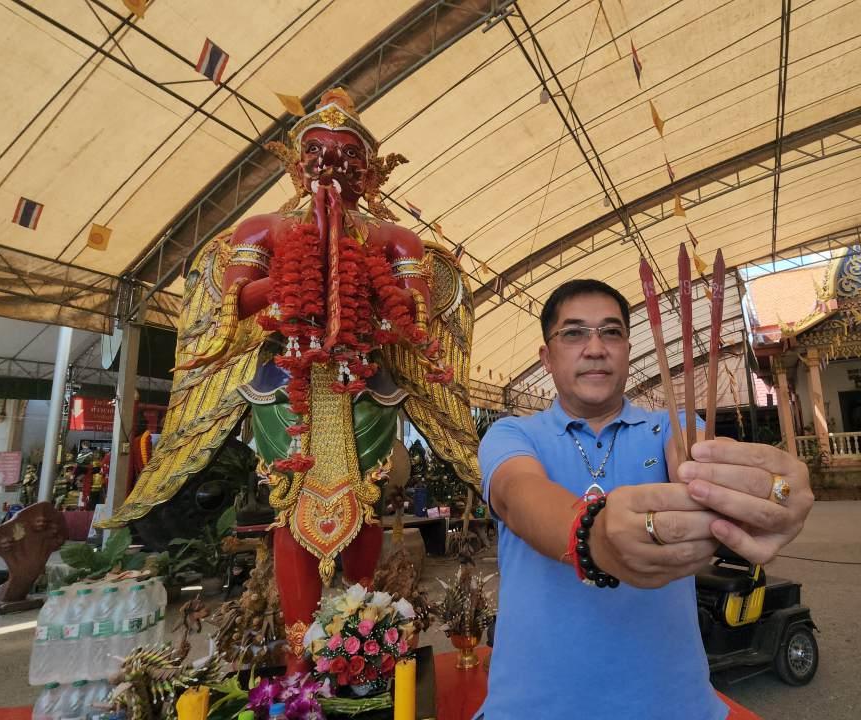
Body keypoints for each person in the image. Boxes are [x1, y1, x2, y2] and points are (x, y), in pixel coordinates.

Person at [96, 88, 482, 675]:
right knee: (292, 510)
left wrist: (358, 286)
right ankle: (301, 658)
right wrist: (299, 280)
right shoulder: (262, 229)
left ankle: (364, 641)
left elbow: (417, 315)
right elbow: (232, 307)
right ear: (298, 164)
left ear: (369, 171)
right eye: (318, 151)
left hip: (366, 385)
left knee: (363, 505)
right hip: (284, 384)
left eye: (348, 154)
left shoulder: (395, 240)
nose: (332, 163)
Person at [477, 279, 813, 720]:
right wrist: (593, 536)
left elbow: (694, 458)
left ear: (628, 350)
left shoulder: (671, 424)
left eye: (611, 332)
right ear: (547, 357)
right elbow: (517, 494)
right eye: (574, 333)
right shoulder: (512, 433)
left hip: (672, 705)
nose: (595, 348)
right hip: (533, 707)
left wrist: (757, 490)